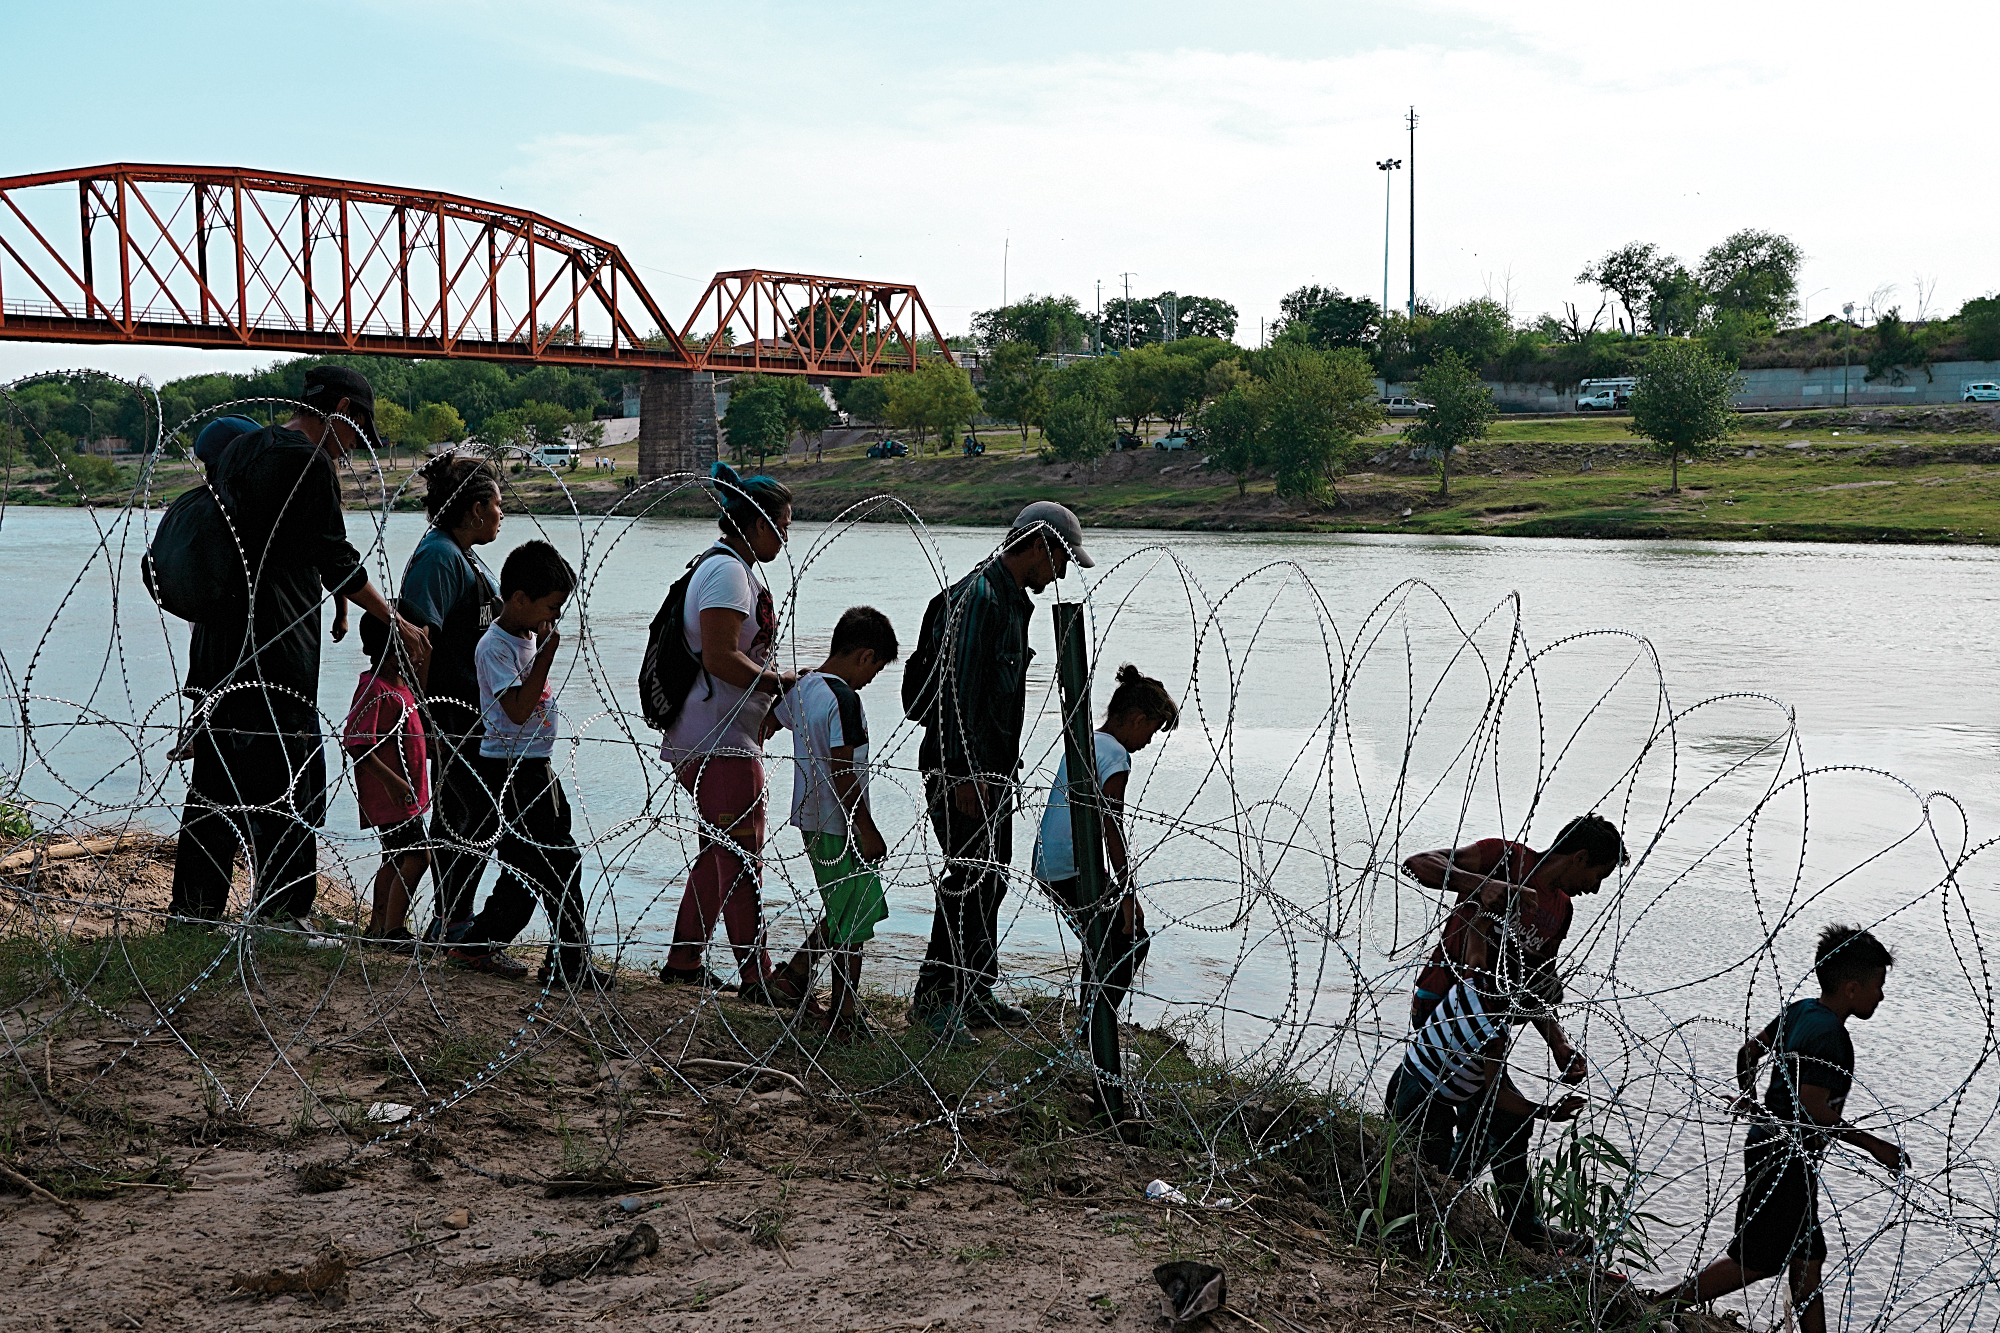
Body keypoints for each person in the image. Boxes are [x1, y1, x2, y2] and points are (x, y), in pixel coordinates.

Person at [171, 366, 430, 932]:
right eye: (359, 431)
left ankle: (193, 914)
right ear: (342, 409)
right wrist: (397, 623)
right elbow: (336, 557)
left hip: (220, 649)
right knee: (296, 783)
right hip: (277, 650)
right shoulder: (308, 462)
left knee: (215, 790)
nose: (356, 447)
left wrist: (338, 599)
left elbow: (287, 542)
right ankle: (283, 915)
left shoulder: (249, 449)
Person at [1648, 926, 1907, 1333]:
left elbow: (1748, 1052)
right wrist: (1874, 1145)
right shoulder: (1830, 1037)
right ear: (1853, 988)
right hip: (1784, 1158)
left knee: (1808, 1262)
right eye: (1879, 985)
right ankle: (1658, 1307)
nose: (1882, 995)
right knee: (1756, 1261)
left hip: (1778, 1149)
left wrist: (1751, 1101)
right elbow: (1813, 1109)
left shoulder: (1801, 1011)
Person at [908, 501, 1093, 1049]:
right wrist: (964, 775)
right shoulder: (979, 599)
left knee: (992, 875)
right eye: (1059, 558)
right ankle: (936, 999)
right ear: (1035, 545)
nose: (1060, 572)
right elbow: (956, 693)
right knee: (967, 877)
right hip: (961, 772)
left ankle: (974, 988)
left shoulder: (1011, 601)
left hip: (992, 774)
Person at [1398, 812, 1626, 1252]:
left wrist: (1558, 1042)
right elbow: (1417, 862)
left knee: (1496, 1118)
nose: (1596, 889)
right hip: (1448, 1007)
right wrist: (1482, 886)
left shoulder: (1562, 911)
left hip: (1489, 1023)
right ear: (1580, 857)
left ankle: (1498, 1223)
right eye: (1598, 875)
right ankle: (1444, 1216)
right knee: (1462, 1114)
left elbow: (1534, 984)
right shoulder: (1502, 858)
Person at [658, 462, 803, 1005]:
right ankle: (757, 974)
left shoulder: (734, 568)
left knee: (720, 853)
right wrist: (781, 681)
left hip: (720, 733)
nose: (786, 538)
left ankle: (684, 960)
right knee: (742, 853)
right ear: (755, 522)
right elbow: (721, 657)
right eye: (781, 526)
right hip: (716, 738)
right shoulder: (726, 574)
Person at [444, 539, 611, 989]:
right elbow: (517, 709)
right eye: (550, 608)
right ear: (518, 599)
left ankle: (475, 945)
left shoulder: (524, 637)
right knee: (562, 863)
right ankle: (568, 966)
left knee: (524, 878)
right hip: (511, 772)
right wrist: (547, 655)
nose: (553, 620)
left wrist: (540, 645)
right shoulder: (494, 648)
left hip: (536, 768)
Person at [769, 606, 899, 1037]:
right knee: (854, 913)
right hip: (839, 823)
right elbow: (844, 769)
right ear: (865, 656)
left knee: (845, 906)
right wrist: (865, 825)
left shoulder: (805, 687)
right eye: (876, 669)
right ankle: (842, 1015)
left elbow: (774, 721)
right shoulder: (845, 699)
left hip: (811, 817)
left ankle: (795, 976)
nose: (870, 679)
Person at [397, 455, 506, 943]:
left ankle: (452, 918)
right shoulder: (440, 557)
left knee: (478, 819)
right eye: (498, 506)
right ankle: (451, 922)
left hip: (477, 717)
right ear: (476, 509)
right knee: (464, 819)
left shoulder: (463, 554)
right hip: (452, 717)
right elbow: (415, 641)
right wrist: (426, 720)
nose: (503, 516)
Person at [1033, 663, 1177, 1018]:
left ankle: (1091, 1023)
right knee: (1129, 941)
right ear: (1138, 720)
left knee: (1102, 941)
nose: (1148, 742)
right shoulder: (1116, 755)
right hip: (1072, 865)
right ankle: (1097, 1025)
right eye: (1153, 731)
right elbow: (1112, 827)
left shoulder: (1086, 742)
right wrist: (1128, 893)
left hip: (1052, 861)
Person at [342, 609, 430, 944]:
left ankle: (377, 927)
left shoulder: (400, 685)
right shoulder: (375, 688)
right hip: (394, 798)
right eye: (416, 646)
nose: (421, 655)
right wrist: (394, 783)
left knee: (394, 858)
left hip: (406, 796)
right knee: (418, 856)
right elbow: (357, 744)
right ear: (397, 654)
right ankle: (394, 931)